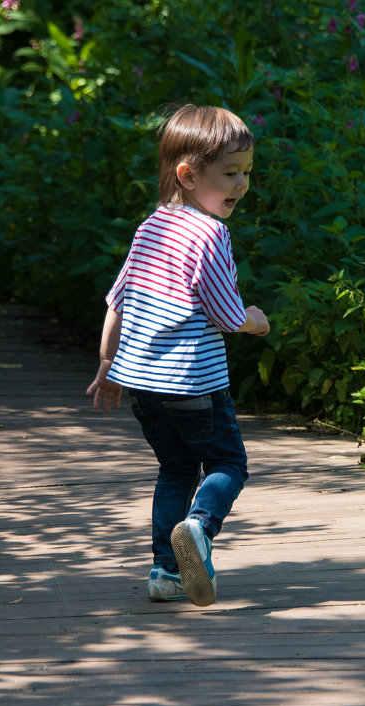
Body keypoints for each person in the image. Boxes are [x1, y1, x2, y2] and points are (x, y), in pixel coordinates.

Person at [85, 104, 269, 607]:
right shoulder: (211, 234)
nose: (241, 185)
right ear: (188, 176)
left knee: (174, 469)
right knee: (228, 464)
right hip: (195, 384)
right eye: (230, 174)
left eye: (246, 173)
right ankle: (200, 527)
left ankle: (166, 573)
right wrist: (255, 318)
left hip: (143, 386)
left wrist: (107, 367)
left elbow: (116, 303)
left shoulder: (151, 227)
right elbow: (227, 314)